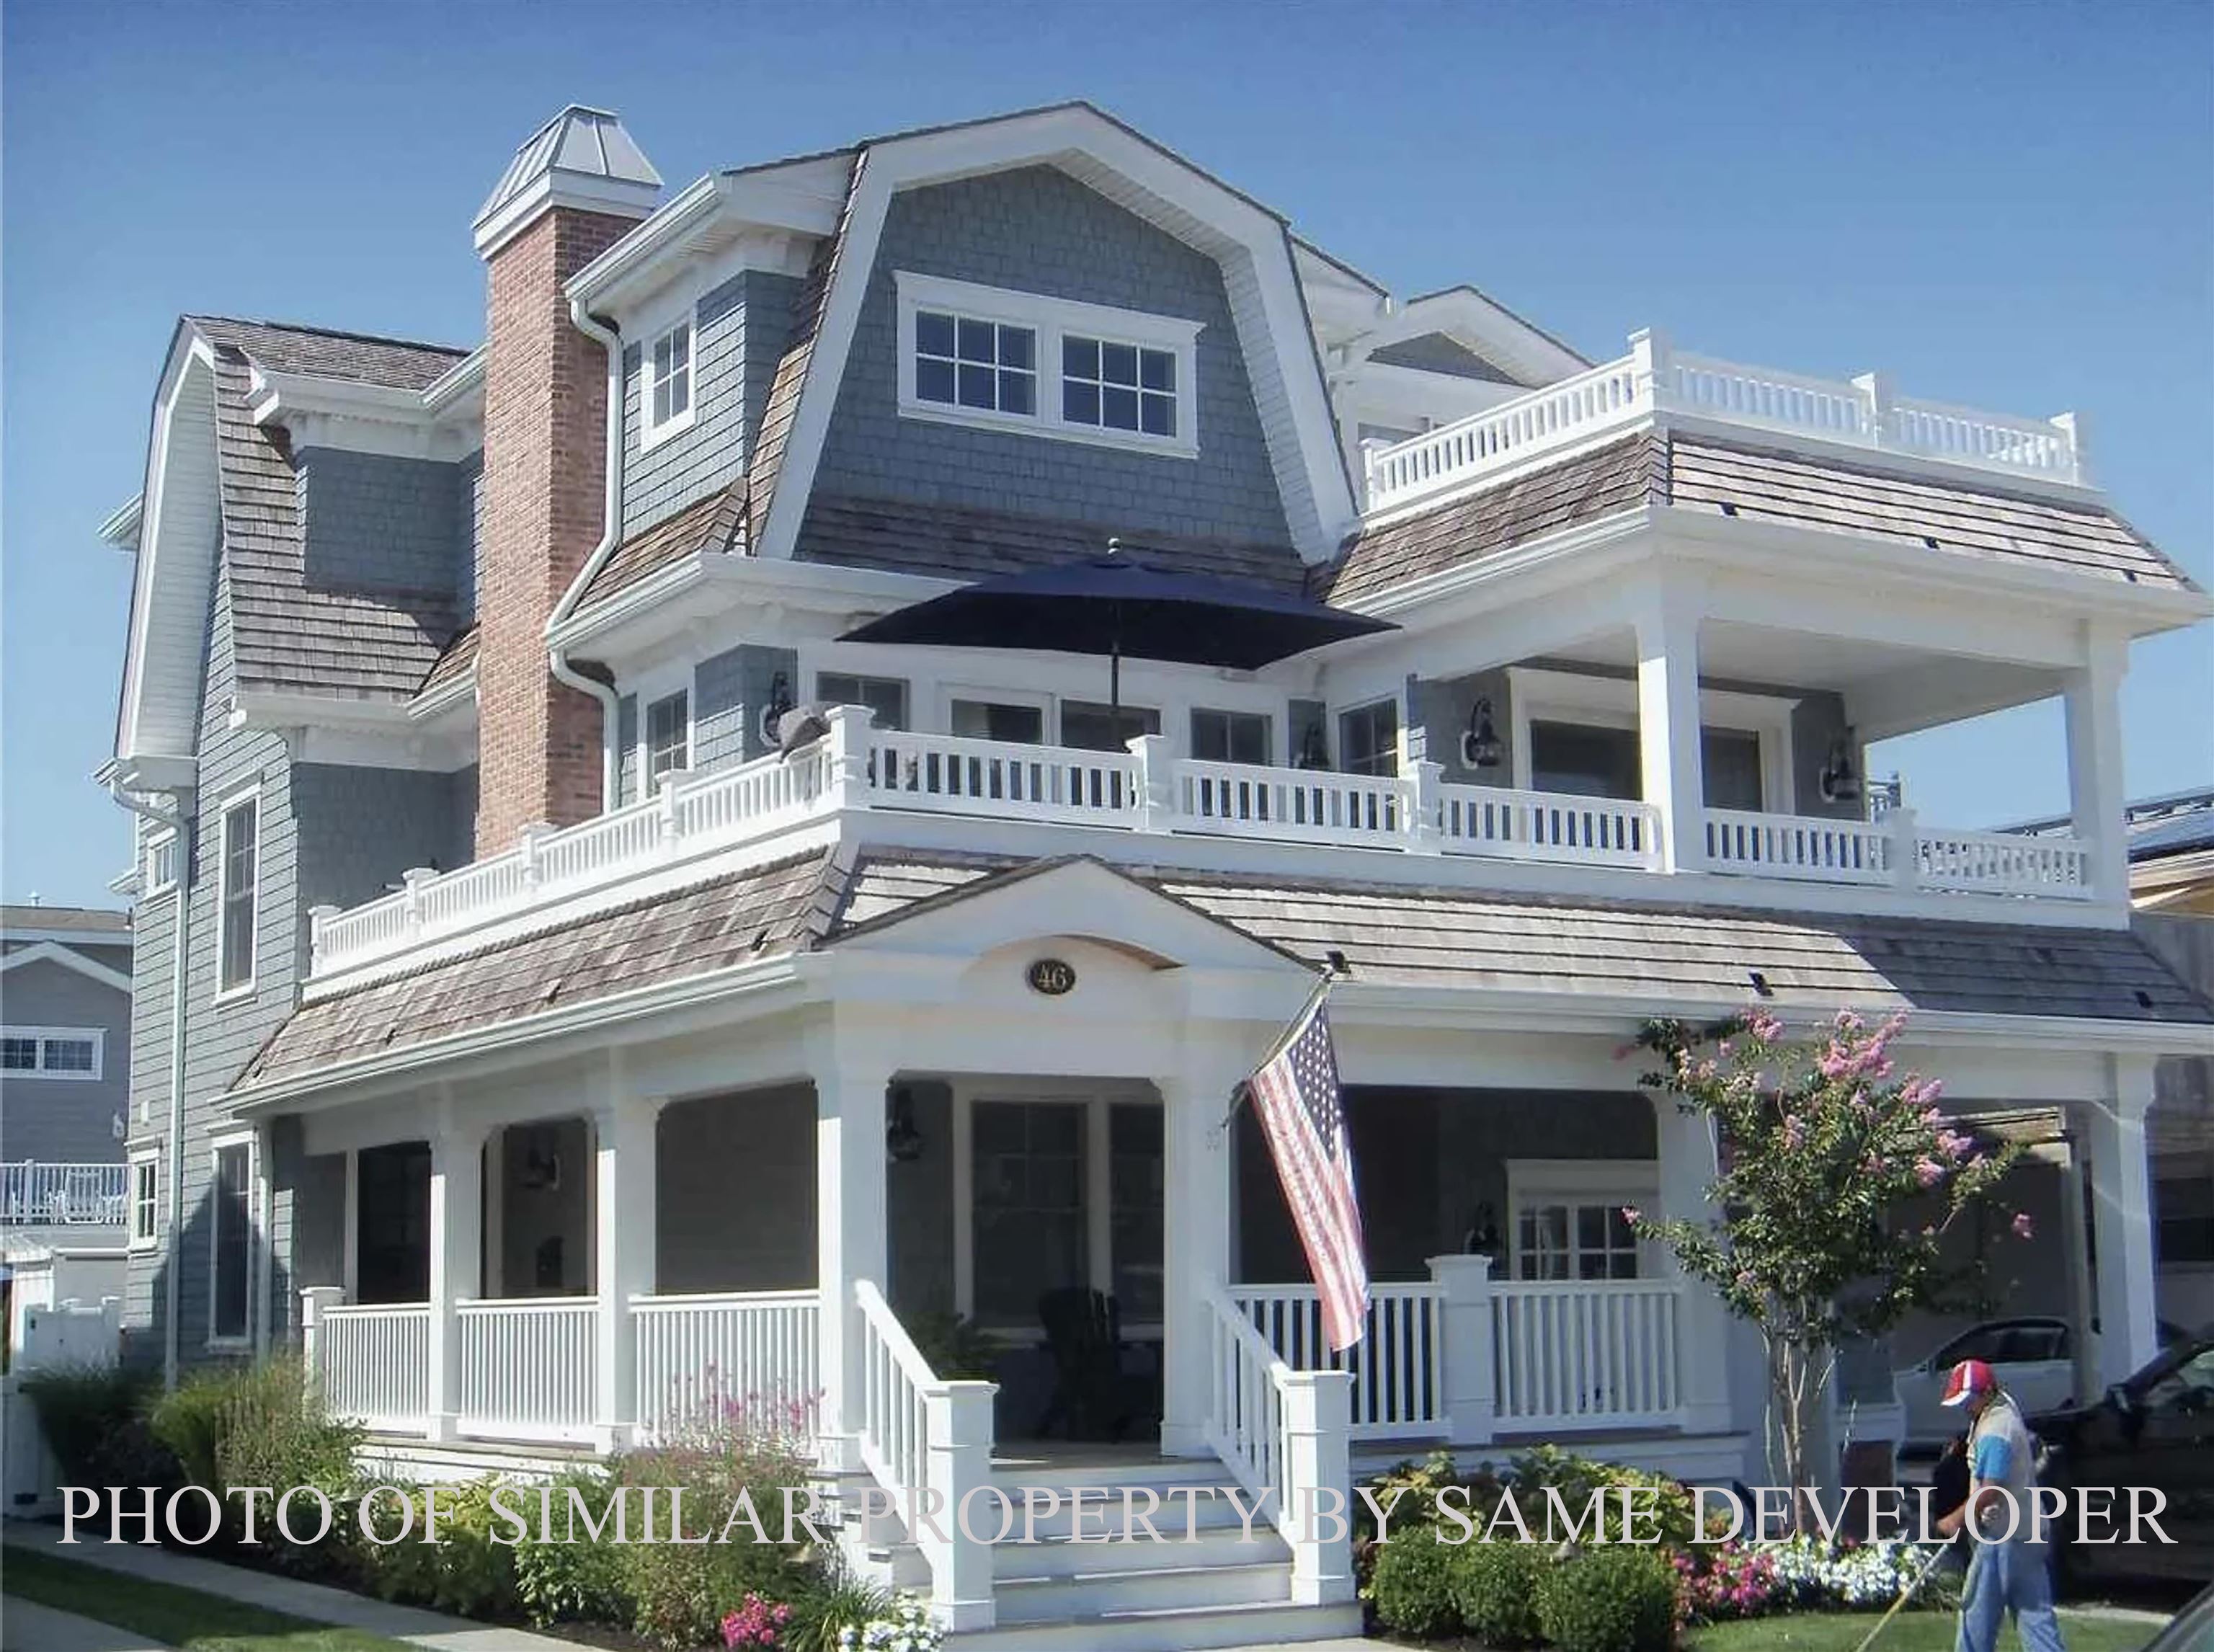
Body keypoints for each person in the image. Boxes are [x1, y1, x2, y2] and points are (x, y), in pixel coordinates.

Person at [1933, 1357, 2066, 1652]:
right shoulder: (2005, 1409)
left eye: (1968, 1399)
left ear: (1987, 1392)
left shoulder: (1995, 1431)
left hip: (2002, 1537)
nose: (1965, 1406)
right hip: (2028, 1532)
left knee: (1975, 1619)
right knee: (2036, 1621)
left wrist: (1955, 1520)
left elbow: (1991, 1489)